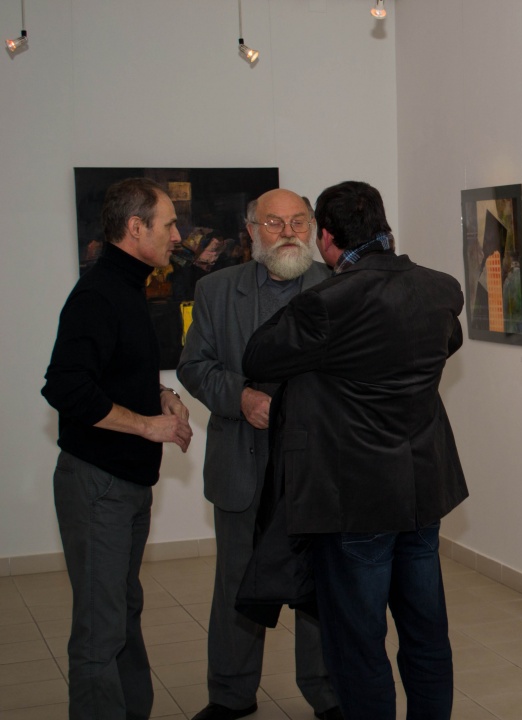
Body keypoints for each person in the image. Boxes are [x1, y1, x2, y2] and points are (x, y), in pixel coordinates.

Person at [241, 181, 468, 720]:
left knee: (359, 642)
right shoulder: (440, 289)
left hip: (356, 500)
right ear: (384, 226)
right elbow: (447, 343)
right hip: (422, 491)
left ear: (325, 237)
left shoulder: (327, 303)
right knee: (426, 633)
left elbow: (258, 356)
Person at [176, 189, 341, 720]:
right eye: (274, 222)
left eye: (299, 221)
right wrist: (241, 397)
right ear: (251, 231)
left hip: (318, 469)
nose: (288, 232)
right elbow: (194, 366)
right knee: (237, 584)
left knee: (321, 587)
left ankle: (327, 693)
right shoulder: (216, 289)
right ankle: (231, 694)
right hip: (243, 465)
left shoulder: (340, 286)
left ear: (312, 227)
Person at [42, 177, 194, 720]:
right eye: (168, 224)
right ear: (135, 228)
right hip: (97, 485)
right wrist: (148, 426)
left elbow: (114, 372)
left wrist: (162, 396)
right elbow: (66, 387)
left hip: (124, 484)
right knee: (99, 630)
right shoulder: (98, 293)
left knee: (122, 611)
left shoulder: (127, 286)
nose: (177, 235)